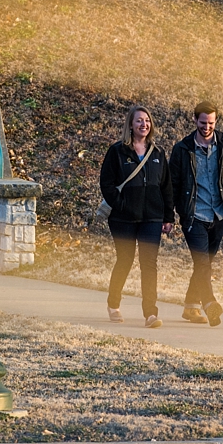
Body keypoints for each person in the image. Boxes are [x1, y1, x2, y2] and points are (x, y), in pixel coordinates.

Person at [100, 105, 174, 328]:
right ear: (130, 125)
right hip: (123, 218)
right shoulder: (117, 151)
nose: (144, 124)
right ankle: (113, 304)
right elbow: (107, 183)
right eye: (139, 121)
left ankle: (151, 313)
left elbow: (166, 187)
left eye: (147, 121)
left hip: (151, 217)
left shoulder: (158, 153)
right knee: (125, 260)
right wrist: (121, 205)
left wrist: (168, 216)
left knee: (149, 264)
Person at [169, 102, 223, 327]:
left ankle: (191, 306)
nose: (207, 127)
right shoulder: (182, 149)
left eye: (211, 123)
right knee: (202, 263)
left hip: (219, 215)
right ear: (194, 120)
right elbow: (173, 183)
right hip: (194, 216)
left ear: (216, 122)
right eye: (203, 123)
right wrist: (172, 214)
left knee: (204, 263)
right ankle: (210, 303)